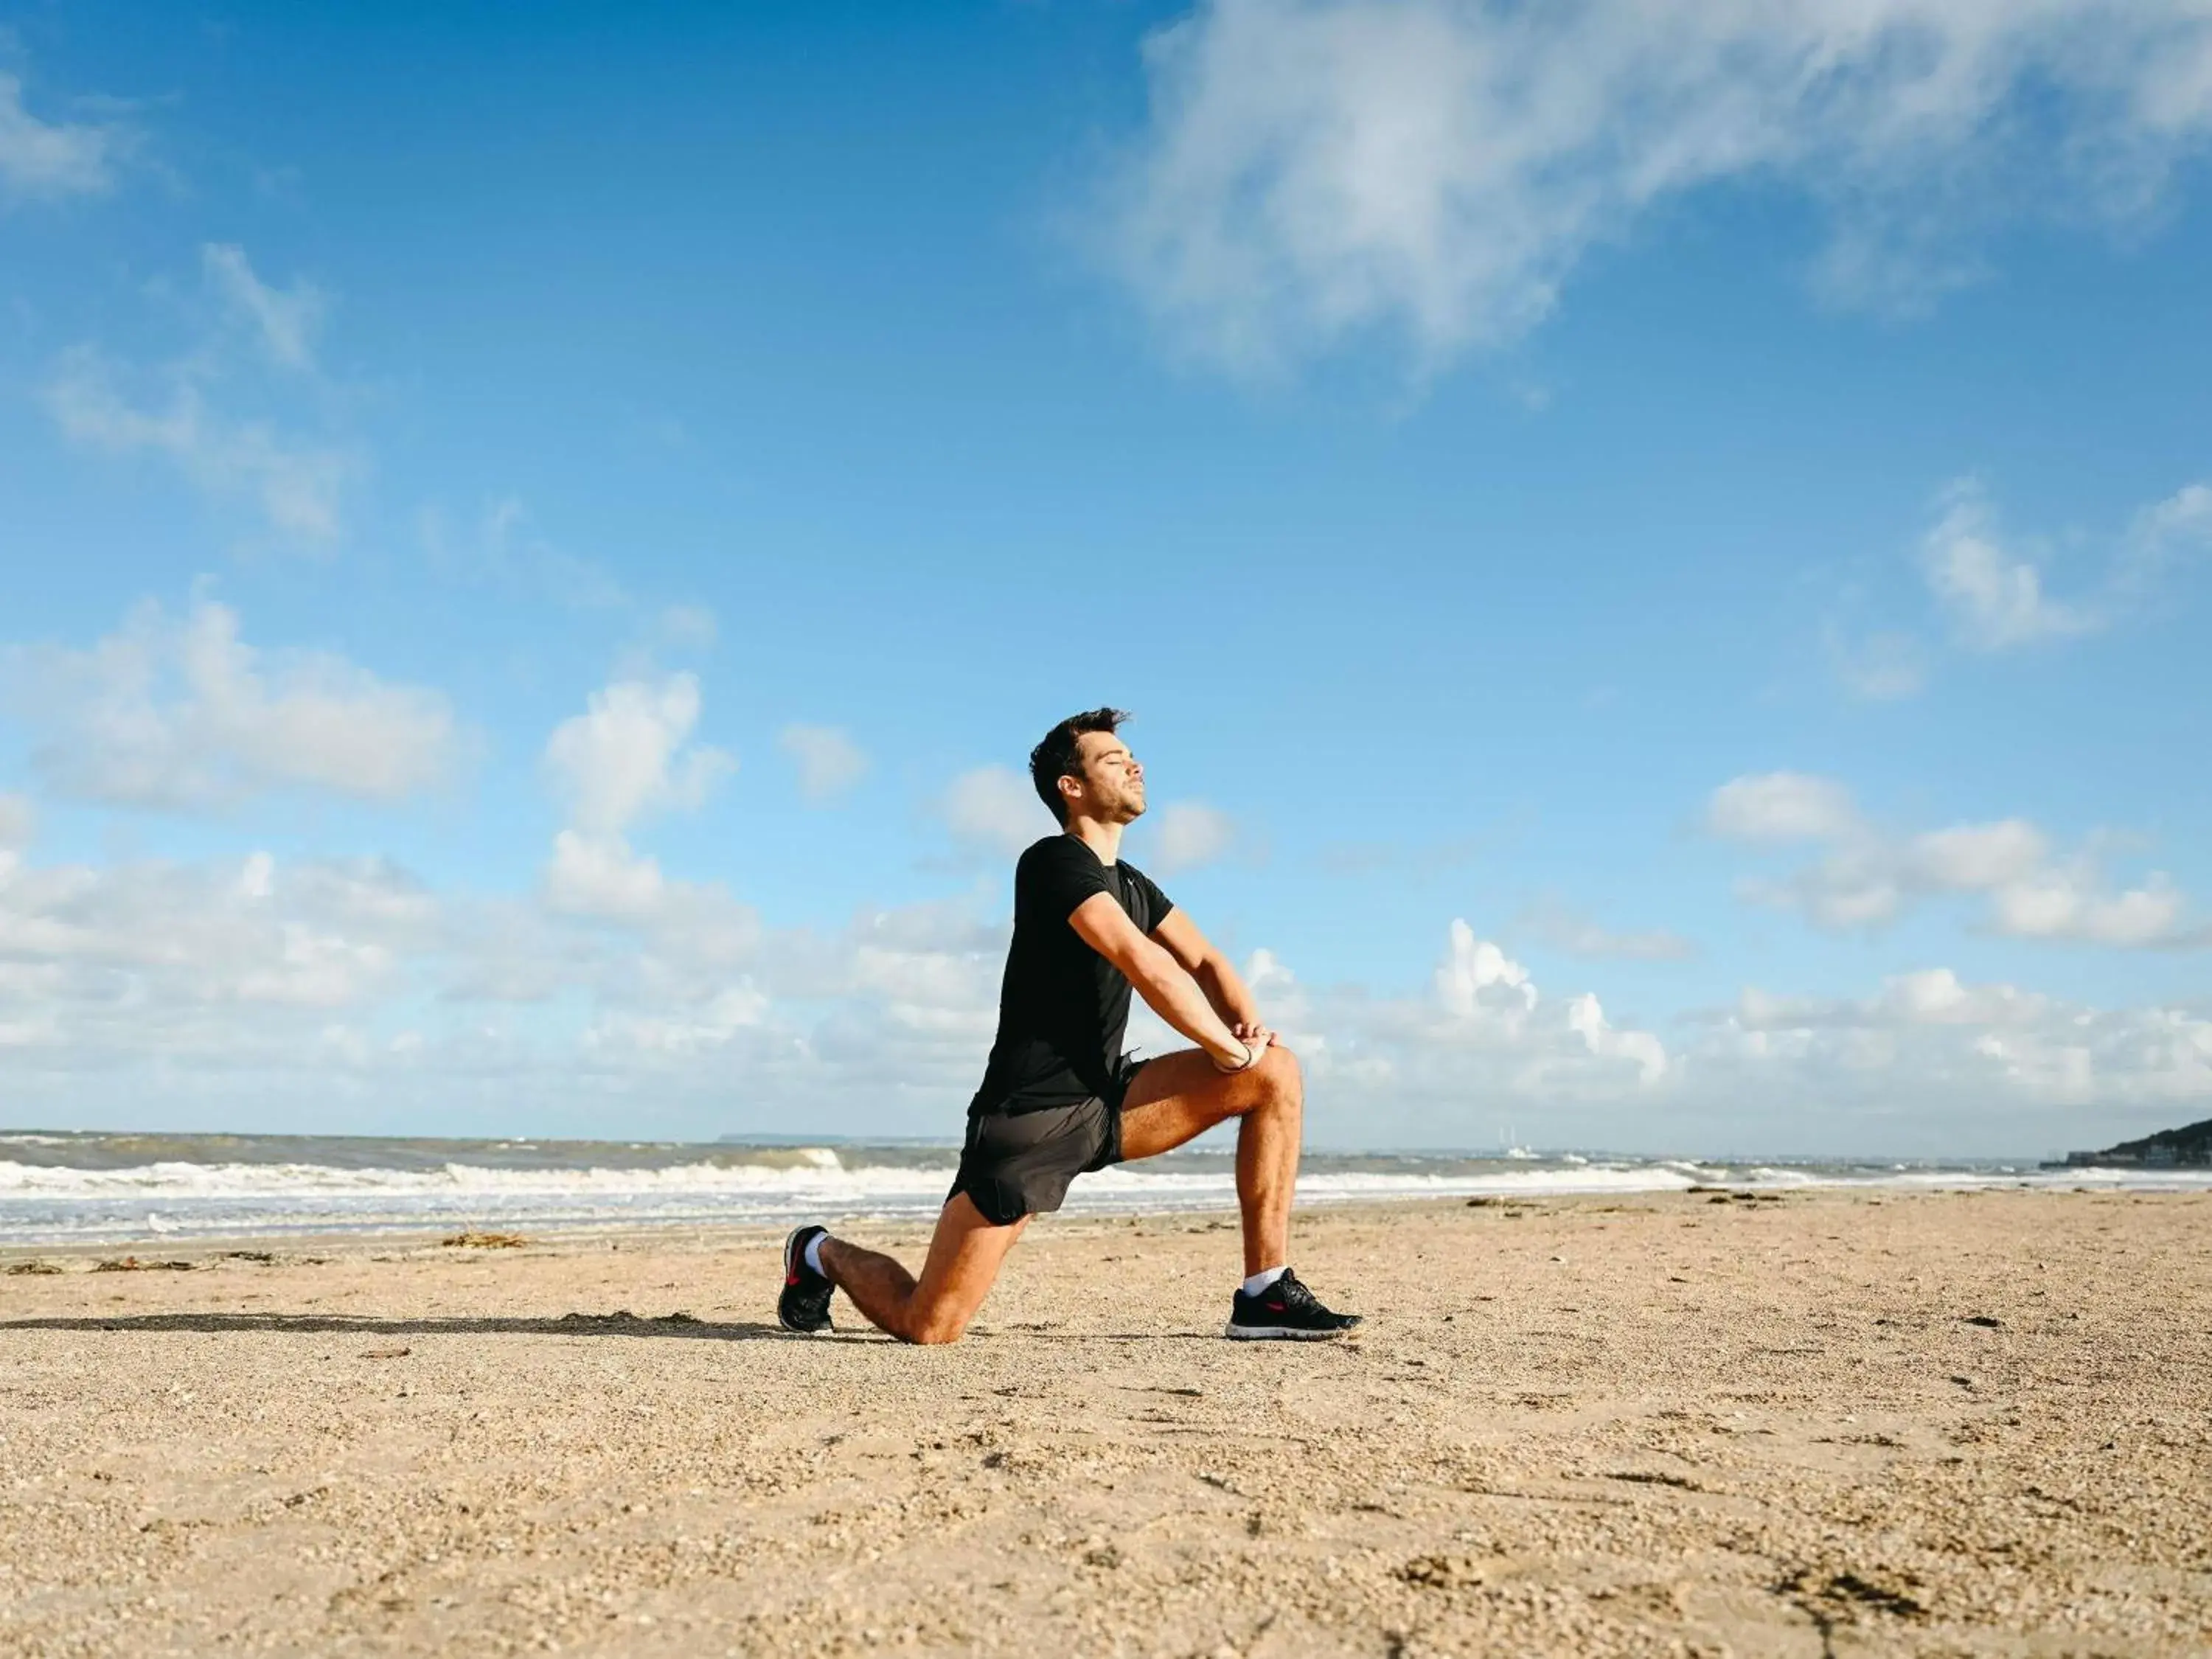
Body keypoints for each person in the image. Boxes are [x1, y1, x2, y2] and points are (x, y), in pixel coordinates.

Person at [777, 707, 1360, 1344]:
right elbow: (1140, 960)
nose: (1135, 765)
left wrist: (1250, 1035)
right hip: (1029, 1119)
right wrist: (1222, 1049)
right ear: (1071, 786)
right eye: (1113, 759)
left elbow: (1205, 960)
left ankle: (1264, 1291)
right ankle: (817, 1252)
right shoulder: (1053, 863)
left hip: (1109, 1102)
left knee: (1275, 1072)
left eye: (1132, 755)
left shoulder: (1135, 883)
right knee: (930, 1324)